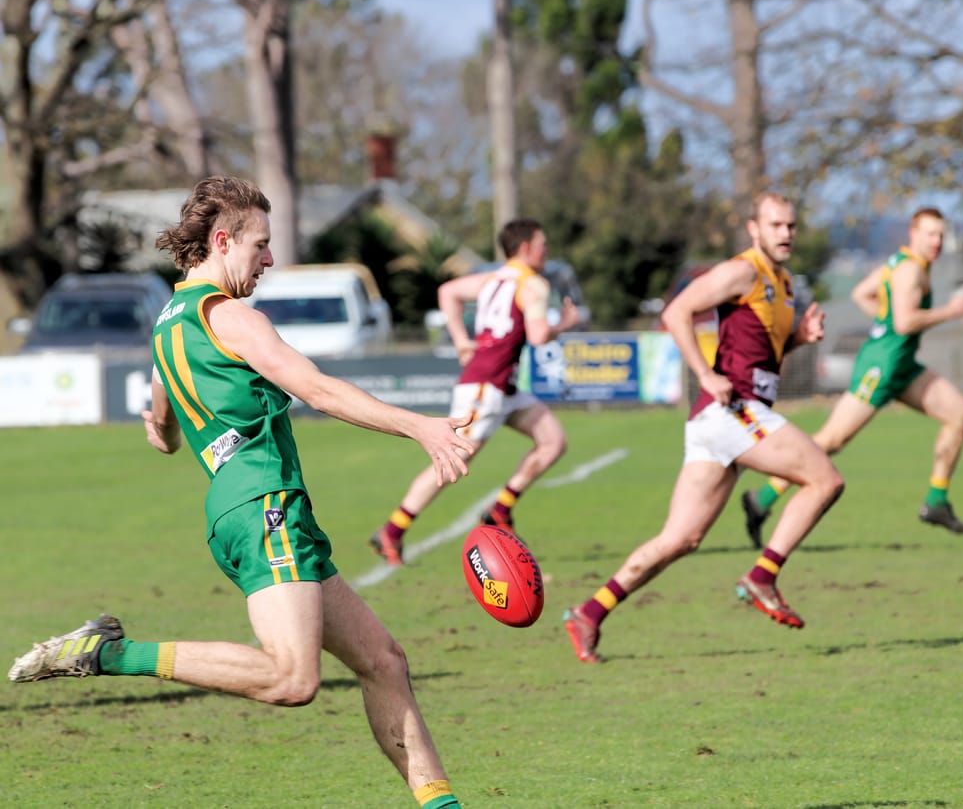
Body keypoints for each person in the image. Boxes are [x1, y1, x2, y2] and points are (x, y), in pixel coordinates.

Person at [8, 176, 470, 809]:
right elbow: (316, 388)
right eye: (261, 246)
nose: (270, 260)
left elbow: (165, 429)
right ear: (222, 241)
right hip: (263, 504)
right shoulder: (230, 315)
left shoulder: (168, 324)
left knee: (384, 660)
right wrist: (419, 424)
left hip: (251, 508)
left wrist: (165, 428)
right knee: (291, 677)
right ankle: (111, 654)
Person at [563, 192, 844, 663]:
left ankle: (589, 612)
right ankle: (763, 577)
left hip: (723, 420)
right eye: (776, 225)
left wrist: (797, 338)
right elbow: (675, 312)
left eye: (791, 226)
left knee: (681, 539)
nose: (786, 233)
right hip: (733, 409)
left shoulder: (784, 283)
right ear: (754, 229)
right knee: (824, 480)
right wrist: (704, 373)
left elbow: (763, 357)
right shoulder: (742, 270)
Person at [741, 206, 963, 546]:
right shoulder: (910, 271)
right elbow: (905, 323)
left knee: (959, 414)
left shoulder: (898, 263)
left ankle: (936, 502)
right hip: (881, 368)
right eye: (930, 234)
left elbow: (862, 294)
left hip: (903, 365)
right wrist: (950, 312)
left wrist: (883, 319)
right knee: (831, 441)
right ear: (914, 234)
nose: (937, 241)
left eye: (941, 234)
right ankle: (759, 500)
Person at [369, 218, 579, 565]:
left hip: (503, 386)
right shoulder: (534, 284)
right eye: (543, 244)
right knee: (452, 460)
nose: (547, 251)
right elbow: (539, 335)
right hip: (487, 386)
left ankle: (500, 510)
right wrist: (566, 324)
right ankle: (392, 530)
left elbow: (447, 291)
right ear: (525, 248)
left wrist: (462, 339)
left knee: (553, 440)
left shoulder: (492, 279)